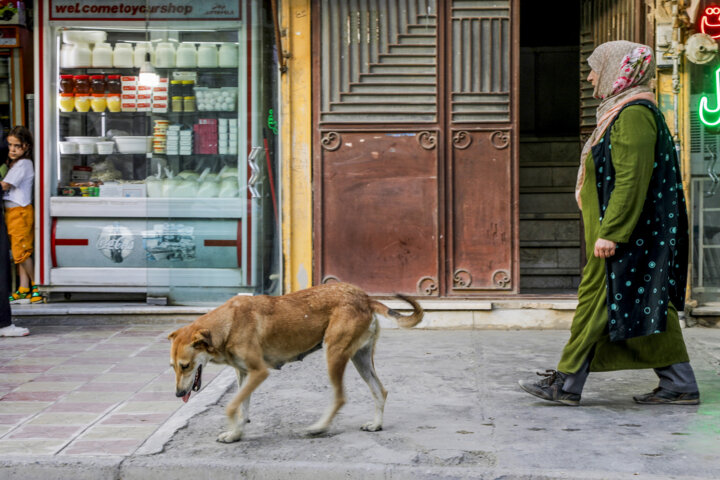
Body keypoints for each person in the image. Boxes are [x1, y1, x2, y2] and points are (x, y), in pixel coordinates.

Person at [518, 41, 699, 406]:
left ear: (618, 70)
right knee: (643, 303)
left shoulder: (633, 115)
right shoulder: (621, 112)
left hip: (625, 235)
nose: (589, 76)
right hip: (626, 234)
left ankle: (566, 383)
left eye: (595, 68)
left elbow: (632, 180)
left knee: (597, 303)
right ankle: (679, 383)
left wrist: (612, 233)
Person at [1, 126, 41, 305]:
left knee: (22, 252)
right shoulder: (16, 164)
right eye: (10, 145)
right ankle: (24, 288)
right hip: (13, 212)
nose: (12, 149)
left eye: (17, 146)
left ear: (26, 146)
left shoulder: (24, 164)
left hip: (20, 212)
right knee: (19, 252)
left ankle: (37, 286)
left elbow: (4, 186)